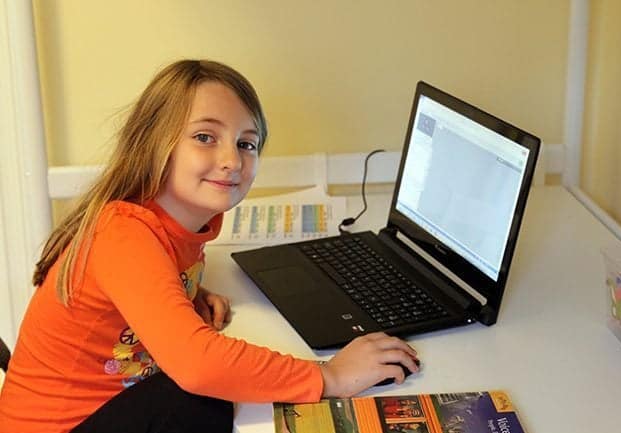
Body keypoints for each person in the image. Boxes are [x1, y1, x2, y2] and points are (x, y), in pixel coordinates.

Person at [0, 59, 419, 433]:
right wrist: (330, 377)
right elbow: (198, 365)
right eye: (205, 137)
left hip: (104, 408)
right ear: (152, 144)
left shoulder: (181, 221)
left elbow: (134, 286)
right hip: (67, 423)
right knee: (201, 397)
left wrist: (181, 293)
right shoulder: (122, 234)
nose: (232, 160)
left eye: (246, 144)